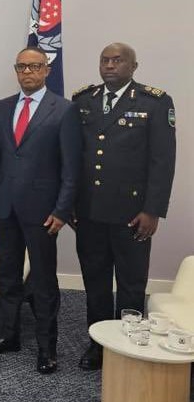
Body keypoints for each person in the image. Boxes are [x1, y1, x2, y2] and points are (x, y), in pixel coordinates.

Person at [0, 47, 82, 375]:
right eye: (22, 67)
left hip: (43, 211)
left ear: (47, 70)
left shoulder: (64, 109)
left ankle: (47, 347)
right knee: (8, 276)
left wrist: (62, 211)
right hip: (4, 207)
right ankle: (9, 335)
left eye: (35, 66)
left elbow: (71, 168)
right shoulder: (3, 106)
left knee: (44, 281)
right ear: (16, 70)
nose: (27, 72)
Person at [73, 43, 176, 370]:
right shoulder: (83, 100)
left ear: (133, 66)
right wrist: (71, 203)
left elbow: (162, 161)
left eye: (117, 60)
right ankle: (98, 344)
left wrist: (153, 210)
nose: (109, 65)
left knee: (131, 284)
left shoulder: (154, 102)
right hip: (89, 211)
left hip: (132, 214)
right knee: (96, 282)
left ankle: (128, 346)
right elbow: (74, 157)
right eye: (104, 60)